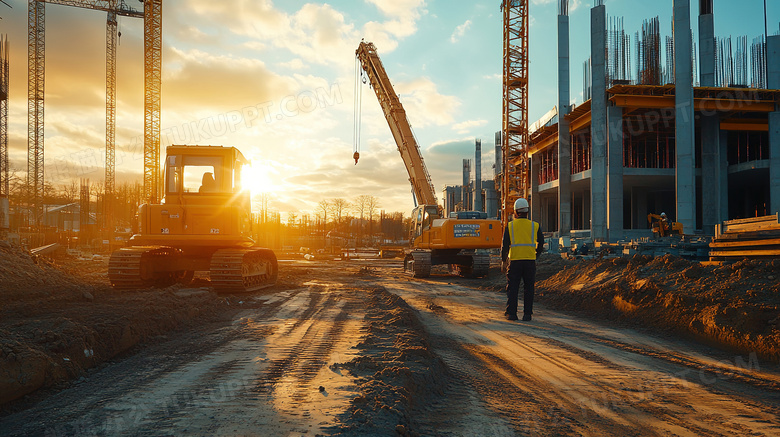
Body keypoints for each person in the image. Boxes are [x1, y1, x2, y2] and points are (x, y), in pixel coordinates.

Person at [501, 198, 544, 321]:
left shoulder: (510, 226)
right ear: (527, 211)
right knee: (529, 288)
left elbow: (505, 245)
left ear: (515, 212)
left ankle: (512, 314)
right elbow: (541, 242)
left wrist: (504, 261)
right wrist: (537, 254)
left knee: (513, 288)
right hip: (530, 261)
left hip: (515, 261)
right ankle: (527, 315)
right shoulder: (534, 225)